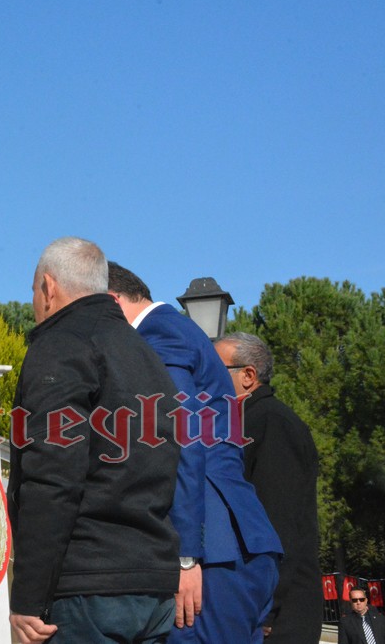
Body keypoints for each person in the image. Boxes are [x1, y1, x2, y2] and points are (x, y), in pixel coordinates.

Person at [8, 238, 182, 644]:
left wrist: (29, 596)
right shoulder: (144, 353)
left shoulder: (61, 345)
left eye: (34, 292)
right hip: (152, 584)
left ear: (48, 288)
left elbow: (53, 476)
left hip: (88, 587)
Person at [108, 263, 282, 644]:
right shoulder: (178, 331)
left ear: (112, 301)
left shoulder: (158, 335)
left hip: (213, 555)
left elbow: (182, 440)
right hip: (237, 546)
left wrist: (185, 556)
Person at [214, 332, 323, 642]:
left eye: (215, 367)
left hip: (276, 611)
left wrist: (267, 606)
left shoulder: (272, 422)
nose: (204, 375)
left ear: (248, 376)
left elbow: (278, 519)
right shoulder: (241, 421)